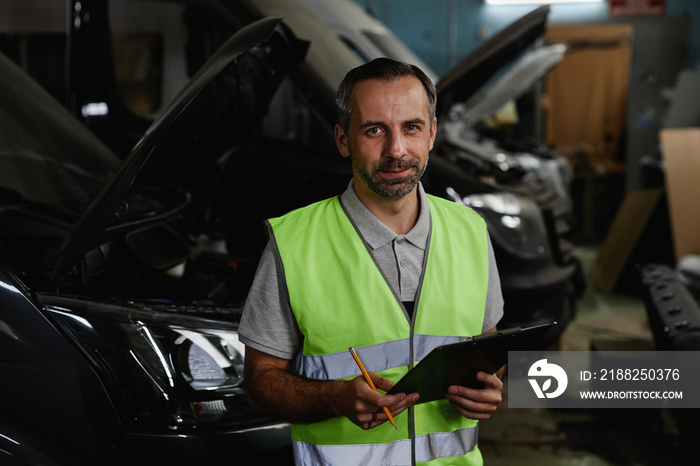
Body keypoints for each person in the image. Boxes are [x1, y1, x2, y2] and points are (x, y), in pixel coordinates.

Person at [239, 57, 505, 465]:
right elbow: (258, 385)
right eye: (374, 129)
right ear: (344, 140)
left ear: (432, 133)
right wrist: (333, 398)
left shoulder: (470, 229)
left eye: (411, 127)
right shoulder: (293, 243)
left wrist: (489, 388)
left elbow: (488, 349)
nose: (396, 150)